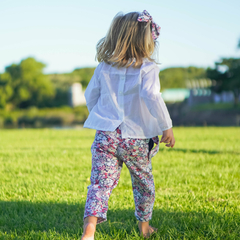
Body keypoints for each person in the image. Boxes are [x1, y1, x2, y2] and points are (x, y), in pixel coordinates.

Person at [81, 10, 175, 240]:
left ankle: (89, 231)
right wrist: (166, 125)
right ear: (146, 38)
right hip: (137, 137)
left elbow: (90, 96)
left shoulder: (104, 66)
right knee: (143, 182)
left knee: (99, 184)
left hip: (106, 135)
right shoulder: (148, 67)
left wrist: (103, 116)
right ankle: (144, 229)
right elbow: (152, 96)